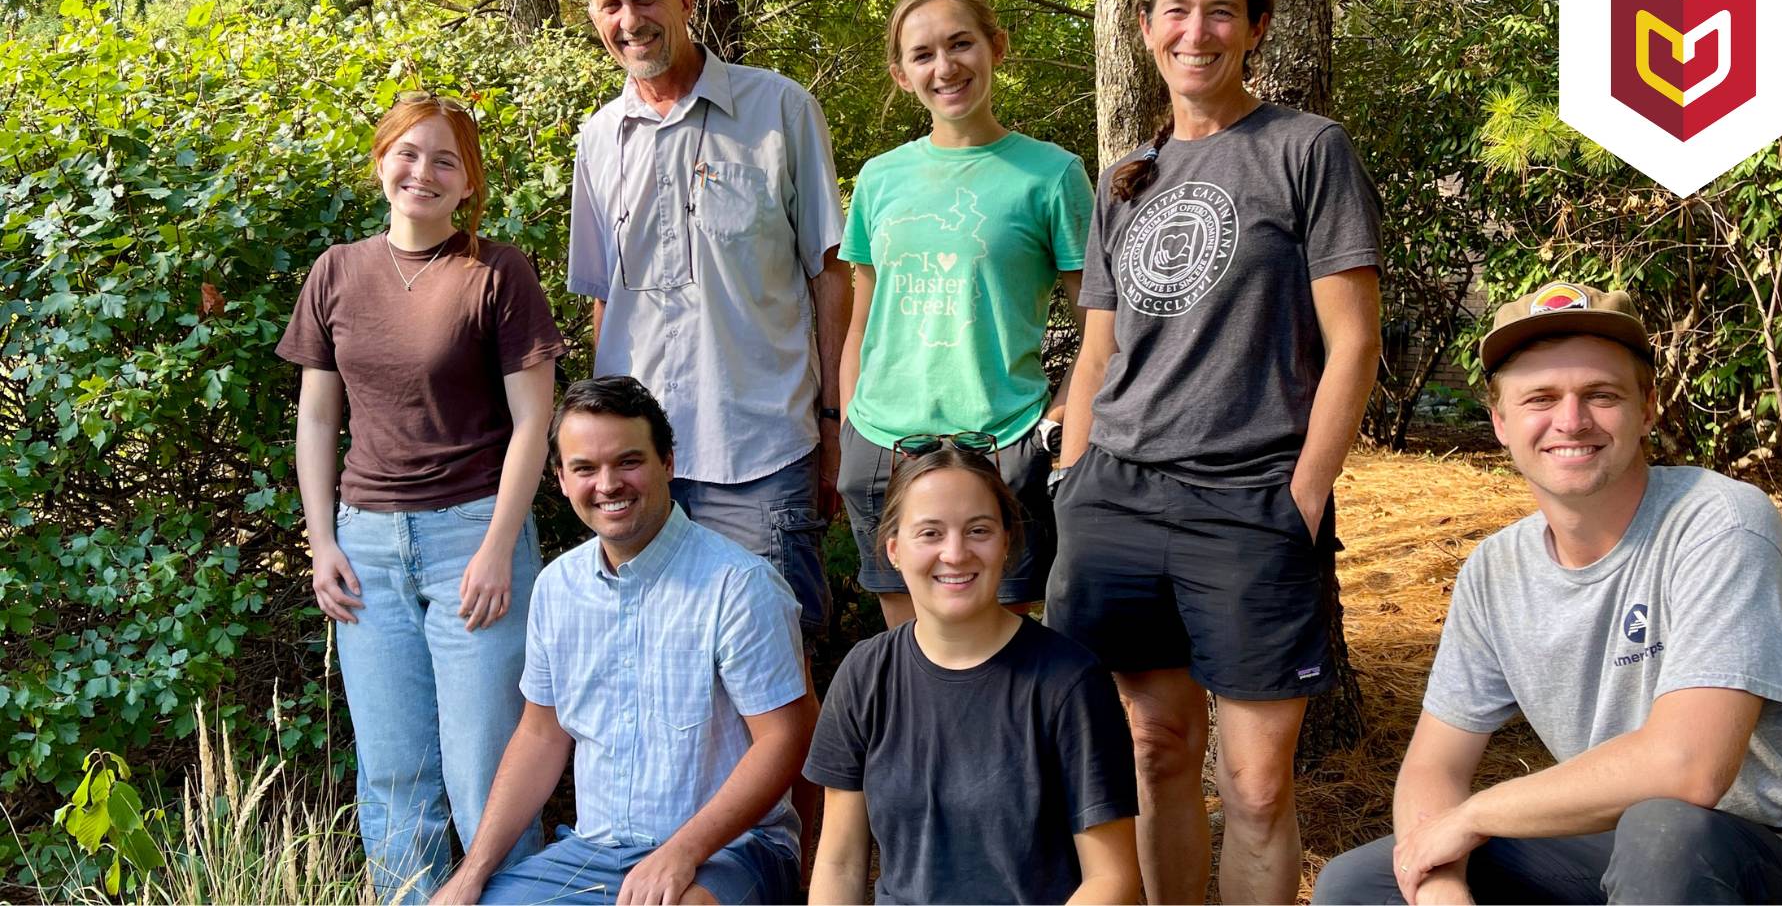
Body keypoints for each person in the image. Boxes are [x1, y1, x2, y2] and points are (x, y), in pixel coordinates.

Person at [1312, 282, 1782, 905]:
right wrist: (1441, 888)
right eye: (1540, 397)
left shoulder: (1719, 524)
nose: (1571, 421)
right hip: (1623, 854)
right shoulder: (1495, 571)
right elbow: (1434, 768)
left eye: (1600, 395)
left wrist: (1472, 817)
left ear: (1647, 409)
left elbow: (1688, 769)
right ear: (1501, 423)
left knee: (1664, 830)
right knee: (1362, 886)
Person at [1043, 0, 1383, 905]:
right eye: (1177, 11)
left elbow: (1351, 342)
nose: (1197, 32)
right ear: (1145, 28)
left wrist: (1304, 493)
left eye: (1220, 11)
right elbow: (1098, 352)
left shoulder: (1303, 151)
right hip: (1115, 497)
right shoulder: (1124, 177)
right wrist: (1069, 483)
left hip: (1248, 503)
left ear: (1255, 28)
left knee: (1258, 783)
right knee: (1150, 751)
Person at [279, 92, 562, 901]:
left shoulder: (497, 272)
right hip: (363, 548)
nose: (423, 172)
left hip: (472, 538)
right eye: (408, 153)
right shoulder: (337, 270)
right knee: (394, 775)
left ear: (468, 183)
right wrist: (321, 541)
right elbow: (317, 416)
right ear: (380, 162)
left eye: (446, 161)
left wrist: (499, 547)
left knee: (486, 773)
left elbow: (533, 424)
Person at [566, 0, 850, 646]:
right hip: (636, 472)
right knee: (665, 669)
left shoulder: (781, 110)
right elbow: (606, 300)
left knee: (780, 673)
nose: (630, 20)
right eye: (610, 6)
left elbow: (831, 276)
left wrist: (831, 423)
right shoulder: (598, 139)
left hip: (760, 455)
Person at [433, 376, 814, 906]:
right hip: (594, 850)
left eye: (628, 462)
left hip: (731, 850)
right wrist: (473, 871)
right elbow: (541, 737)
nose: (607, 484)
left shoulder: (740, 587)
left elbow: (785, 740)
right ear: (562, 479)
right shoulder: (555, 589)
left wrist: (682, 852)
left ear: (668, 463)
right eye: (585, 468)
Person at [836, 0, 1090, 630]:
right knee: (911, 668)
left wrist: (1057, 425)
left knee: (997, 671)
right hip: (883, 450)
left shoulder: (1051, 176)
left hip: (1002, 445)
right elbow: (863, 316)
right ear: (901, 74)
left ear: (996, 47)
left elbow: (1102, 324)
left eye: (960, 44)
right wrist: (849, 433)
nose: (944, 67)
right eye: (923, 54)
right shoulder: (878, 180)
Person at [805, 441, 1142, 905]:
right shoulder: (865, 675)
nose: (955, 553)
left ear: (1006, 542)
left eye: (978, 530)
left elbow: (1111, 878)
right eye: (930, 533)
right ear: (894, 550)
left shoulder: (1070, 681)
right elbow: (839, 863)